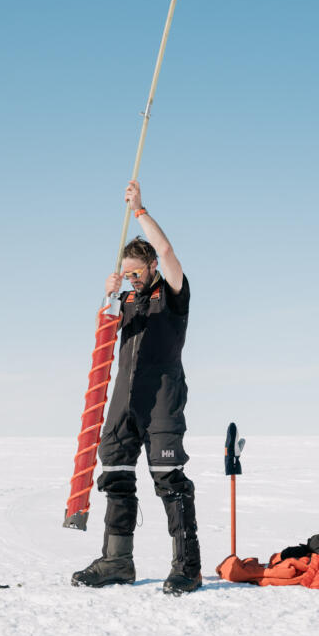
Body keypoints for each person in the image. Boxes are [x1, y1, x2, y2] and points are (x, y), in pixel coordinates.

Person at [72, 179, 201, 595]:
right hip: (123, 406)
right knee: (116, 476)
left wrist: (141, 211)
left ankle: (187, 567)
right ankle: (117, 561)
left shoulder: (173, 292)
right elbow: (105, 337)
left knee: (169, 480)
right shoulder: (126, 302)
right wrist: (108, 296)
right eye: (125, 274)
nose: (130, 279)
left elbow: (166, 251)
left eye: (136, 272)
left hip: (162, 402)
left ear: (151, 269)